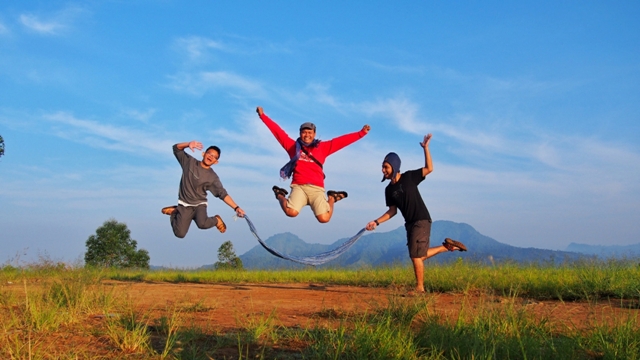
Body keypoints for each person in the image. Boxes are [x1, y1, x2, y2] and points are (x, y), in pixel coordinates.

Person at [365, 134, 467, 294]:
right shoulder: (388, 190)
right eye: (382, 167)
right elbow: (392, 211)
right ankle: (447, 247)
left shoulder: (409, 177)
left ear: (394, 166)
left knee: (415, 256)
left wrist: (426, 148)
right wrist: (376, 222)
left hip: (421, 219)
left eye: (386, 167)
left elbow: (429, 168)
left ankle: (420, 288)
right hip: (410, 224)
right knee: (419, 254)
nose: (383, 170)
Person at [256, 106, 370, 223]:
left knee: (324, 218)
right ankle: (280, 194)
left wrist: (361, 133)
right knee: (291, 212)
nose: (307, 135)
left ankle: (332, 198)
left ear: (314, 134)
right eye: (304, 132)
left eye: (310, 132)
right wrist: (263, 116)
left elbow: (341, 141)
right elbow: (278, 133)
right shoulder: (293, 147)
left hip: (316, 188)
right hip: (299, 187)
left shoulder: (323, 148)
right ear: (300, 134)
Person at [162, 141, 245, 238]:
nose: (211, 157)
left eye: (214, 157)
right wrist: (188, 144)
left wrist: (236, 208)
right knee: (179, 234)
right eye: (209, 153)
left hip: (199, 205)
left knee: (202, 224)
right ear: (203, 153)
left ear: (216, 162)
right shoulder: (189, 162)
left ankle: (216, 220)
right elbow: (176, 148)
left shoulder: (212, 177)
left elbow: (223, 194)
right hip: (184, 204)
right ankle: (175, 212)